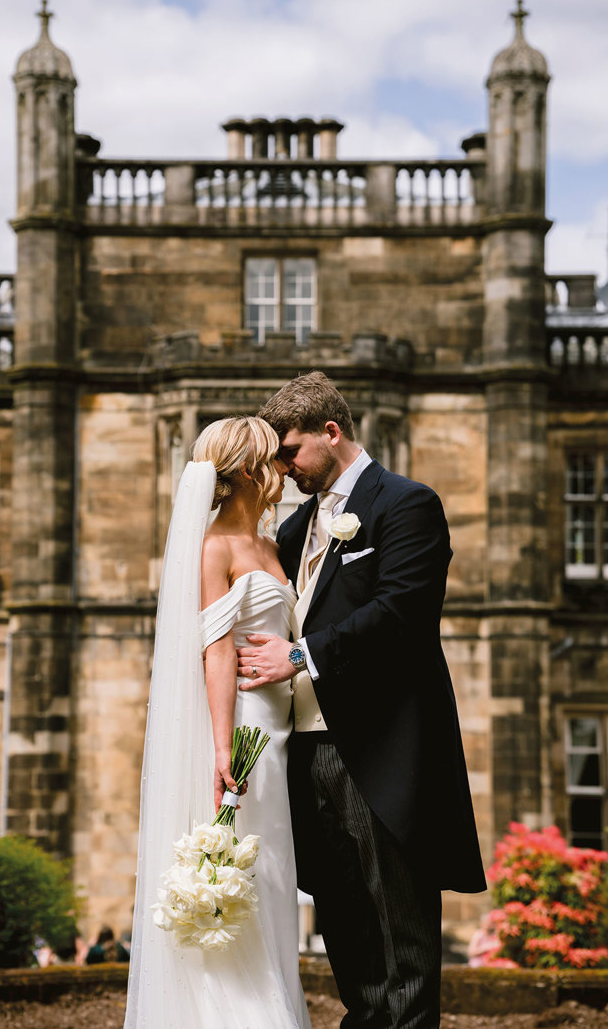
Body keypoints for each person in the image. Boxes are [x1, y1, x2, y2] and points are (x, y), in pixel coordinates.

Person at [237, 371, 487, 1029]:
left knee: (397, 929)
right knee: (344, 920)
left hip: (380, 749)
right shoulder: (294, 528)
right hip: (304, 752)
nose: (284, 468)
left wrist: (299, 656)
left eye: (290, 451)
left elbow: (402, 612)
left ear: (331, 431)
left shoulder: (405, 504)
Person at [124, 416, 311, 1029]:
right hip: (246, 723)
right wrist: (223, 746)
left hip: (284, 723)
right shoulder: (215, 547)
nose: (283, 470)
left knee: (276, 872)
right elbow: (218, 650)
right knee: (247, 865)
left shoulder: (274, 544)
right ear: (248, 472)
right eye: (273, 460)